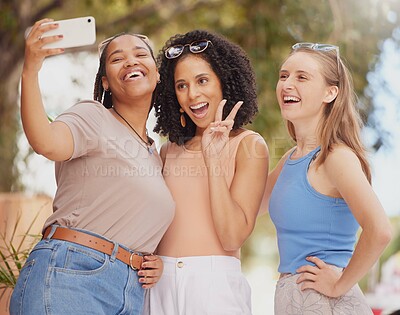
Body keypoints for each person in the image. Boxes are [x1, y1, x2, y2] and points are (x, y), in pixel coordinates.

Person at [10, 18, 175, 315]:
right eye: (117, 59)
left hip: (129, 291)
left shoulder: (155, 153)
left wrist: (152, 261)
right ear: (105, 81)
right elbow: (45, 141)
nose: (130, 61)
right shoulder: (93, 115)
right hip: (71, 274)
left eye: (140, 54)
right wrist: (31, 68)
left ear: (158, 73)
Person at [143, 30, 269, 315]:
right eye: (182, 85)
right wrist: (150, 259)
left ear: (224, 82)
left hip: (213, 287)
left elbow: (232, 237)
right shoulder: (168, 151)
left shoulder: (249, 145)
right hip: (160, 286)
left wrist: (213, 160)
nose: (193, 94)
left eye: (202, 80)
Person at [265, 42, 392, 314]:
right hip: (295, 299)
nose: (287, 84)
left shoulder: (336, 157)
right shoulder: (289, 159)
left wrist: (339, 285)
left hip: (326, 302)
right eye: (284, 75)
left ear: (330, 92)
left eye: (302, 77)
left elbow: (380, 230)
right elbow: (245, 207)